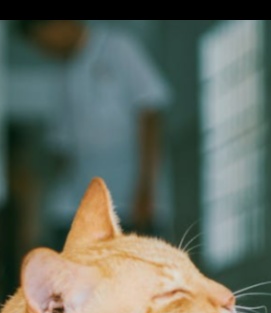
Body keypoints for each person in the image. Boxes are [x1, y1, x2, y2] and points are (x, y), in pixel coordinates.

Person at [21, 20, 171, 239]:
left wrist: (146, 188)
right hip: (82, 202)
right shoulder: (64, 74)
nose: (46, 51)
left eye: (43, 41)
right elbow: (61, 147)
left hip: (131, 198)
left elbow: (150, 110)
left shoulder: (118, 48)